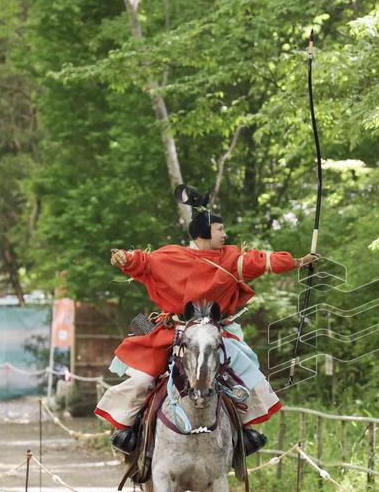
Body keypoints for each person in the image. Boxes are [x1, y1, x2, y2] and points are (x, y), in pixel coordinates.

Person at [95, 184, 318, 457]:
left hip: (215, 332)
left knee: (248, 374)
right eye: (220, 230)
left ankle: (246, 431)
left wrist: (297, 261)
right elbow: (144, 262)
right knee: (143, 380)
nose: (225, 235)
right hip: (173, 330)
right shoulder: (172, 256)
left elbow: (263, 262)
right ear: (204, 233)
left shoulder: (231, 258)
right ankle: (127, 429)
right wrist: (125, 258)